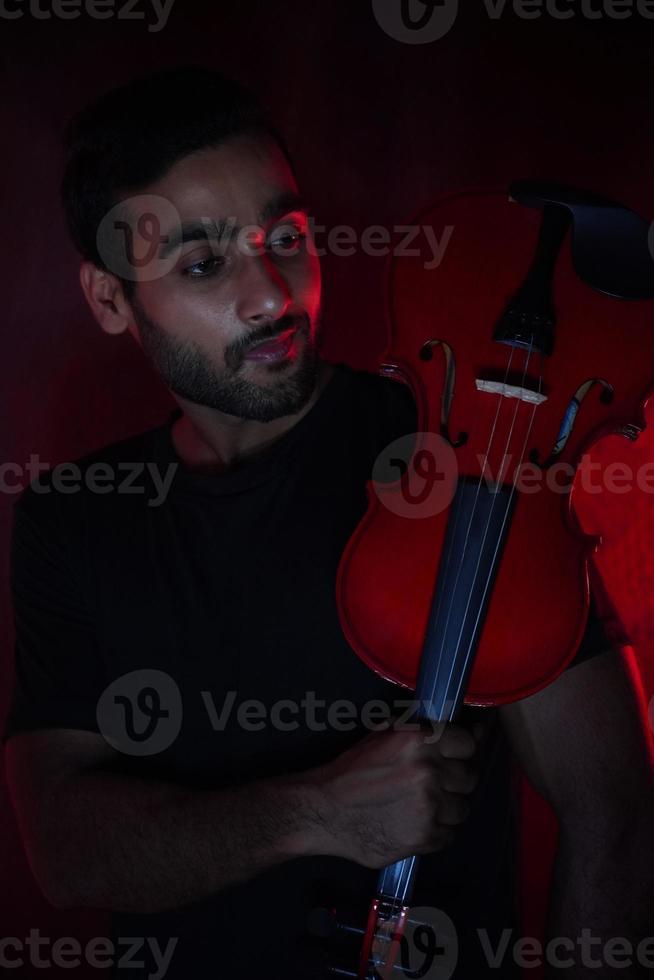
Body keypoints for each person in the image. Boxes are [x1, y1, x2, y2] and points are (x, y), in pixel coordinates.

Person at [3, 66, 653, 980]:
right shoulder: (69, 521)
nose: (272, 293)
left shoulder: (462, 450)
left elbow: (615, 813)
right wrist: (322, 810)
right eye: (203, 264)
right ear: (111, 300)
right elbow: (65, 851)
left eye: (288, 236)